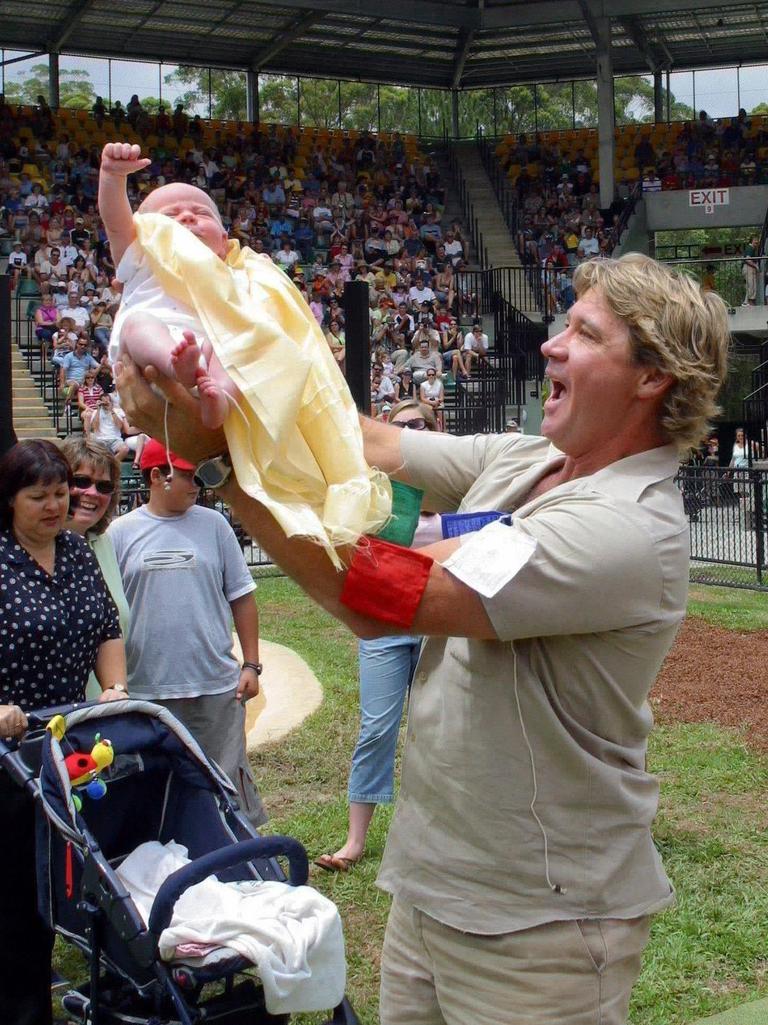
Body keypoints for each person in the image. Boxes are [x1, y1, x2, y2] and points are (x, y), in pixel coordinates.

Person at [117, 252, 730, 1025]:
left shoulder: (627, 526)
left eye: (584, 331)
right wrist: (231, 353)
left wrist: (217, 466)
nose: (550, 343)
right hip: (433, 885)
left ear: (651, 377)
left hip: (542, 924)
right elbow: (358, 440)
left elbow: (388, 598)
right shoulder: (533, 458)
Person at [100, 142, 390, 566]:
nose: (186, 218)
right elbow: (115, 219)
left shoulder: (242, 277)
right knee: (143, 330)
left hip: (212, 339)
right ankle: (182, 366)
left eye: (200, 214)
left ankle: (215, 393)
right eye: (170, 215)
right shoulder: (143, 254)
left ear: (224, 241)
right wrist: (113, 176)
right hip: (156, 335)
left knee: (243, 349)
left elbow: (262, 338)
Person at [0, 440, 127, 1025]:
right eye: (38, 496)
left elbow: (105, 627)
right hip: (7, 755)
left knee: (56, 881)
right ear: (9, 501)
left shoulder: (76, 554)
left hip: (61, 744)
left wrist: (115, 687)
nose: (55, 506)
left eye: (60, 493)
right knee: (14, 896)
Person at [108, 438, 267, 827]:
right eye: (186, 474)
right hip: (146, 690)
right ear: (156, 475)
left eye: (198, 473)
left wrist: (251, 664)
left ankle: (239, 860)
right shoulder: (120, 533)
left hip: (214, 686)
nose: (197, 482)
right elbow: (107, 615)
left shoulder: (214, 525)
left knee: (226, 788)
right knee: (151, 791)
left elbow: (242, 597)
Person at [315, 400, 440, 873]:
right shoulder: (377, 490)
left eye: (418, 426)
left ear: (434, 428)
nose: (409, 433)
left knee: (439, 730)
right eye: (401, 427)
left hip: (440, 628)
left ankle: (432, 835)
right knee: (377, 728)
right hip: (386, 626)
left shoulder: (455, 489)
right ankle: (355, 841)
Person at [60, 436, 131, 701]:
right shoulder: (30, 550)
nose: (92, 493)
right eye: (80, 482)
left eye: (104, 486)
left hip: (101, 716)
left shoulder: (103, 543)